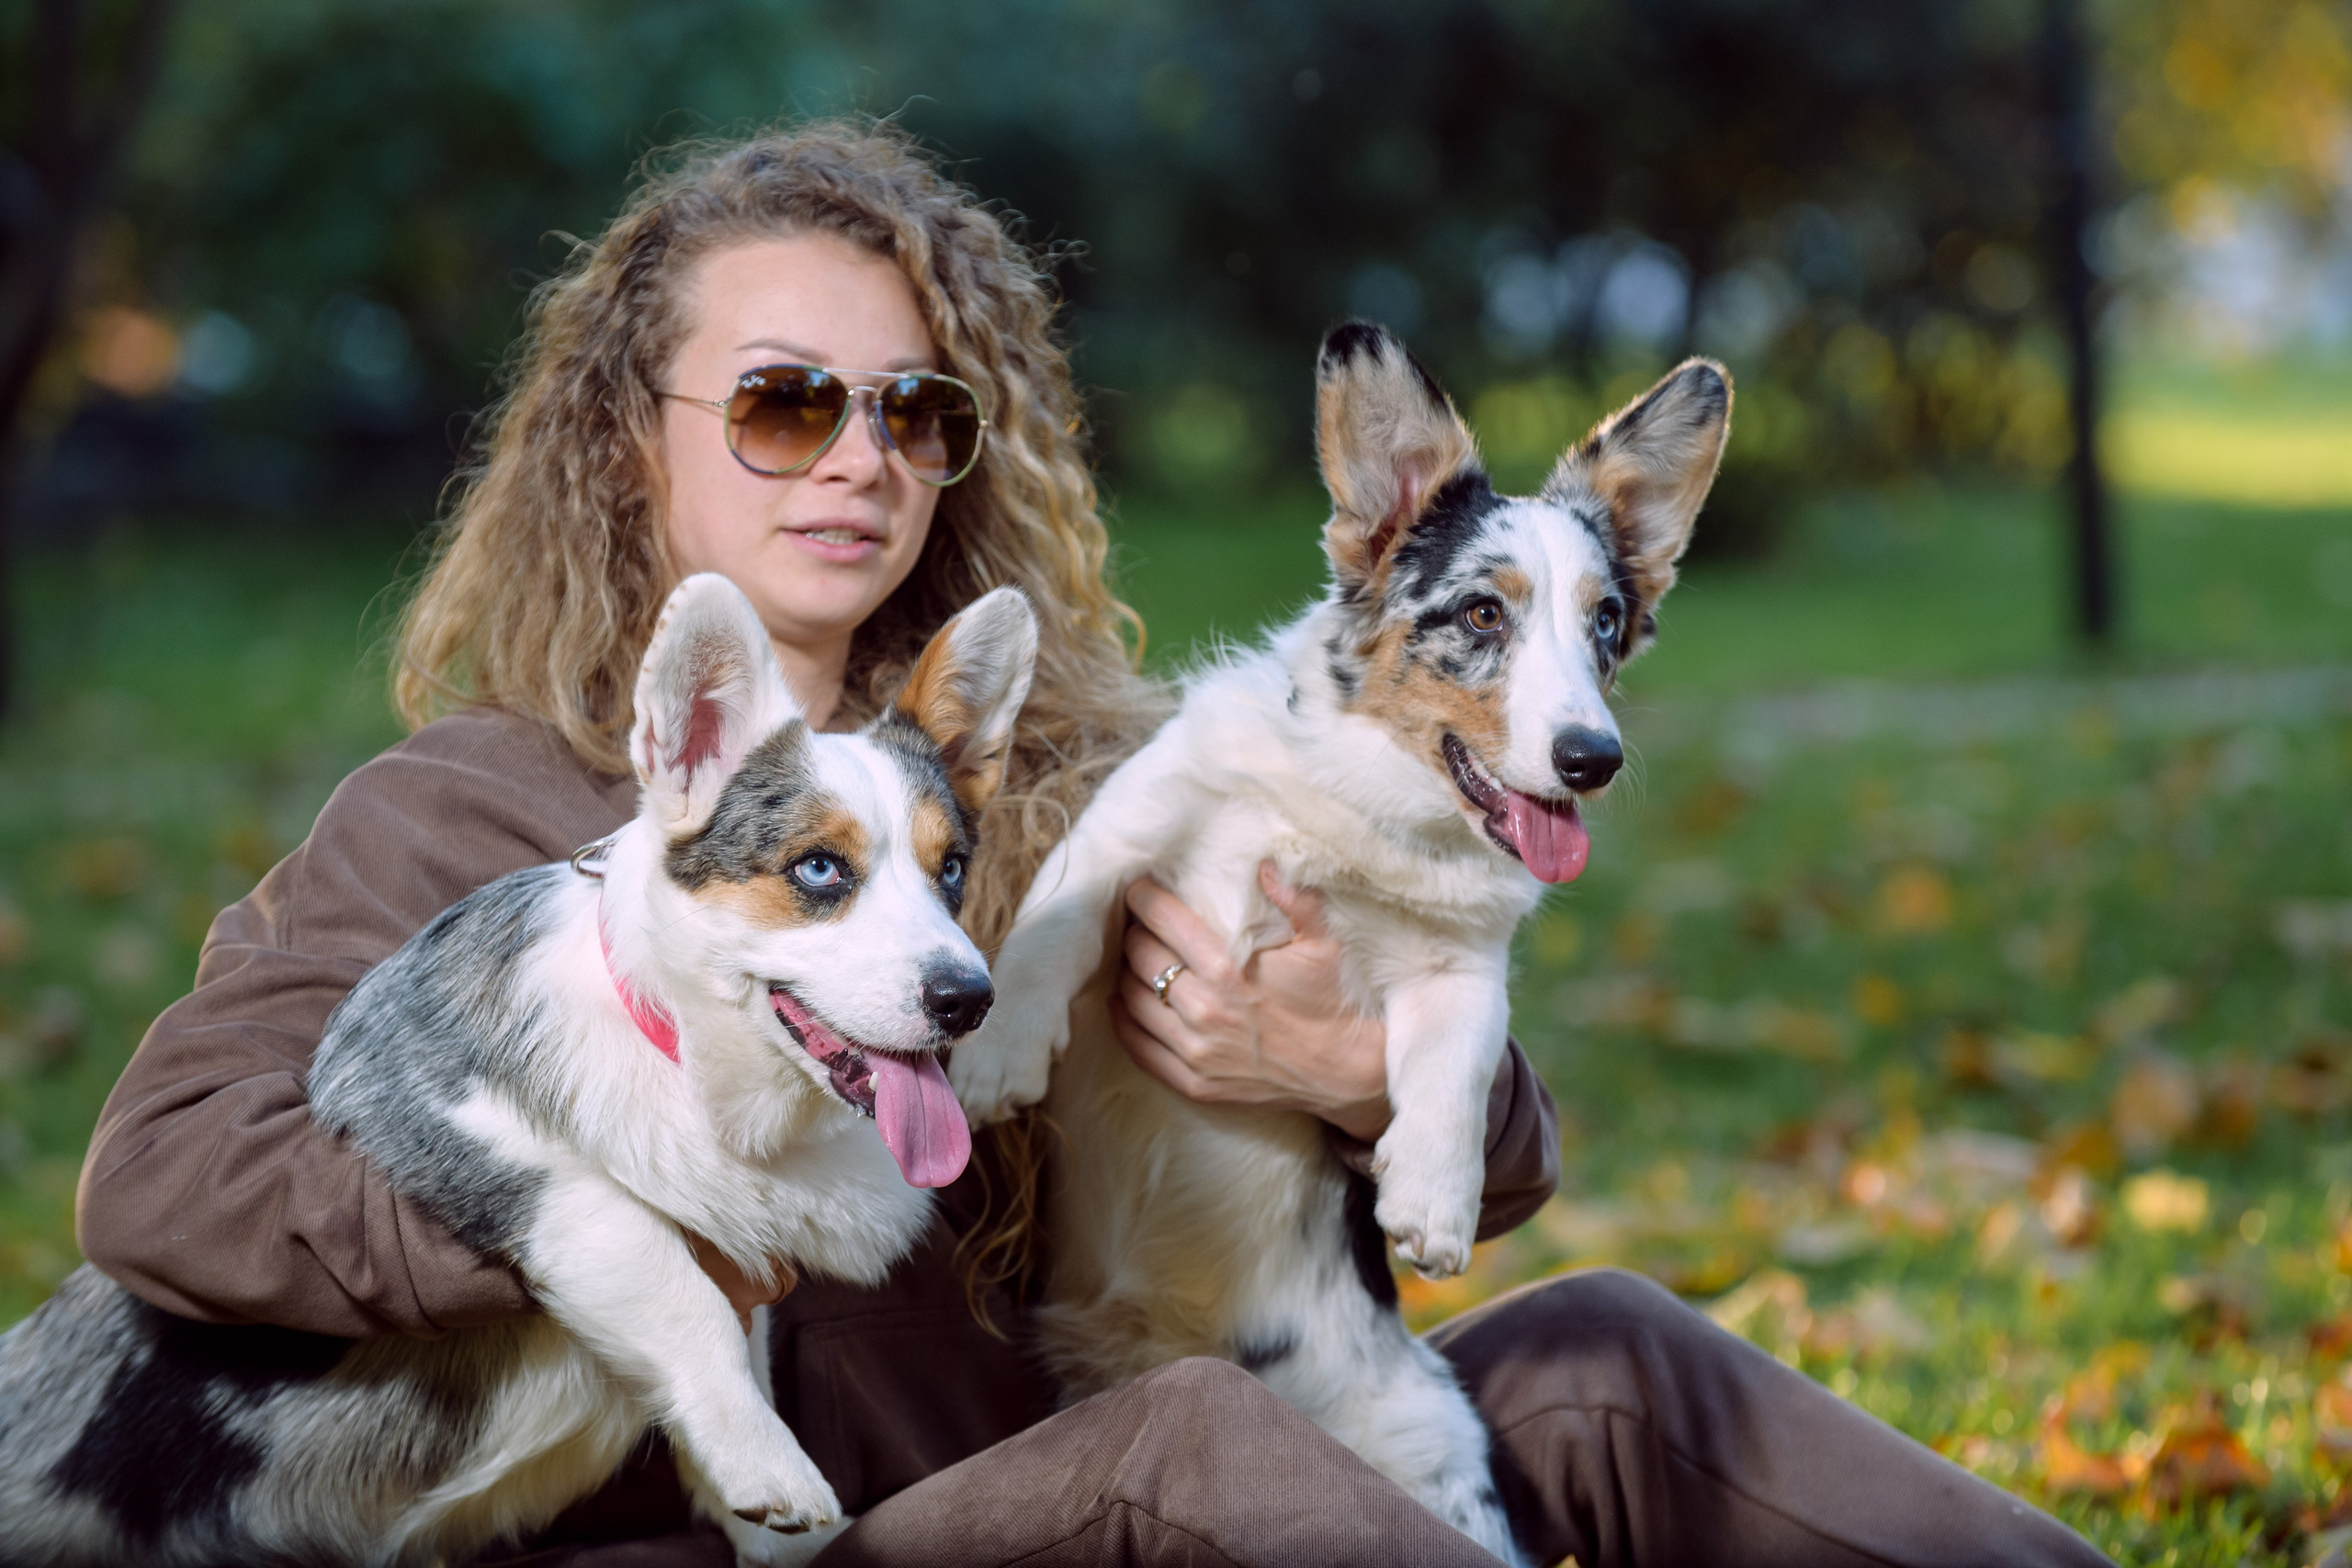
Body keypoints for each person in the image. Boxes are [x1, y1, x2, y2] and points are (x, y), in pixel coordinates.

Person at [73, 122, 2109, 1568]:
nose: (858, 454)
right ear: (635, 436)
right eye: (783, 405)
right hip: (827, 1520)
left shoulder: (1058, 752)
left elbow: (1491, 1161)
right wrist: (613, 1201)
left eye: (912, 408)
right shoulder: (478, 810)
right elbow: (169, 1174)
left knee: (1605, 1355)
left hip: (1137, 1418)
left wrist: (1325, 1063)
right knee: (1196, 1448)